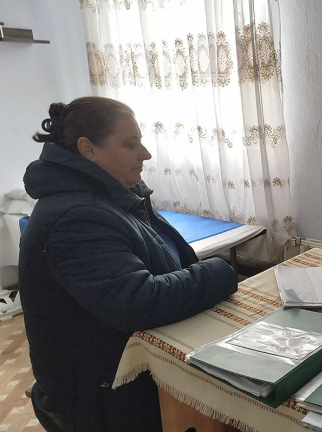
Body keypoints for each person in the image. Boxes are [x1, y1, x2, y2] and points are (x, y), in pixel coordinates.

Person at [19, 97, 239, 432]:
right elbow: (137, 300)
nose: (145, 154)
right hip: (99, 400)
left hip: (121, 378)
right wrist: (221, 270)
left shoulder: (116, 196)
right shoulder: (75, 218)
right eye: (130, 144)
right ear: (88, 149)